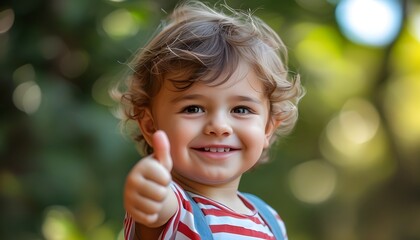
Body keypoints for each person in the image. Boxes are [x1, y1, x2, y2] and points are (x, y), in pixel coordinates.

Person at [113, 0, 304, 239]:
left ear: (267, 128)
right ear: (151, 125)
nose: (219, 126)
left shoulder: (270, 220)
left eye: (242, 110)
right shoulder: (175, 210)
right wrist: (150, 190)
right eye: (193, 108)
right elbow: (156, 209)